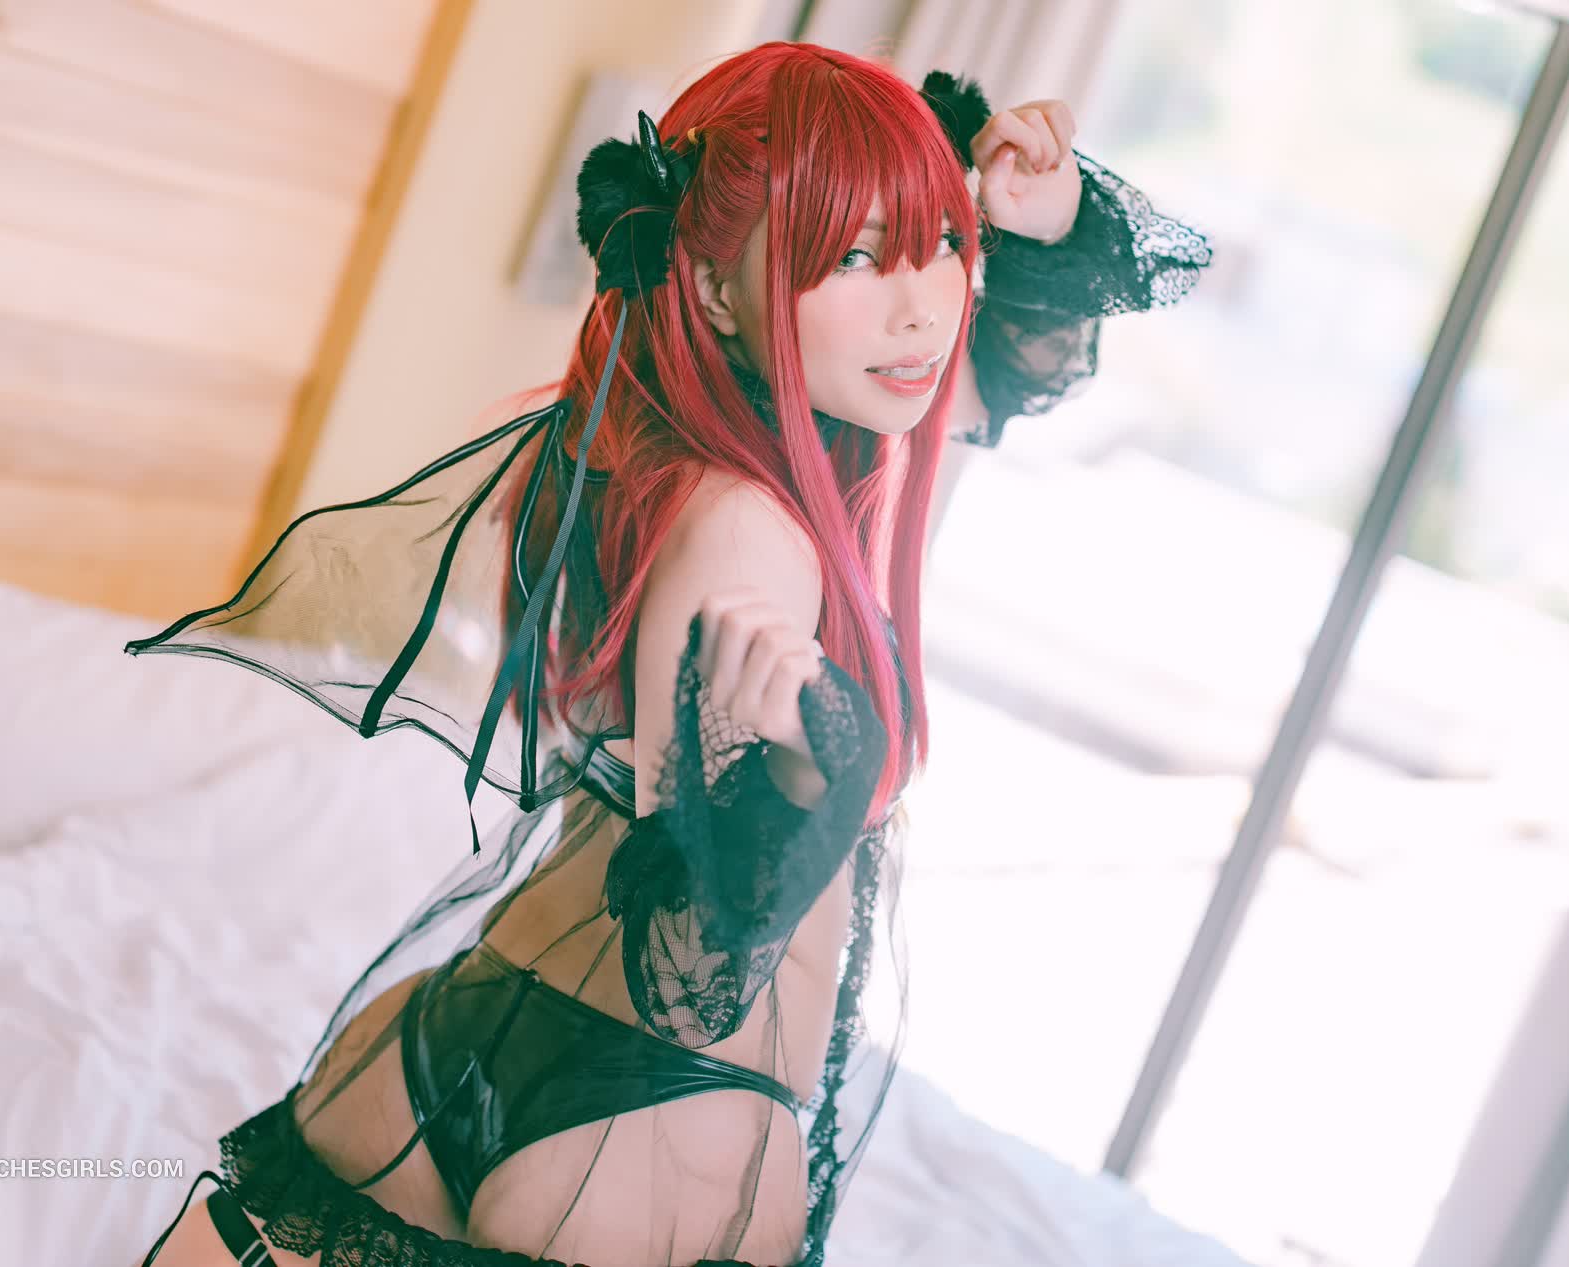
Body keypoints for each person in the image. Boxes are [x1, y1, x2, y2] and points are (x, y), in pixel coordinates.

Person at [125, 39, 1210, 1267]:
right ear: (711, 290)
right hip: (644, 1111)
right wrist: (812, 767)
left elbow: (1001, 372)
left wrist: (1039, 222)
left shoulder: (683, 440)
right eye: (858, 257)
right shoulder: (750, 530)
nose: (924, 305)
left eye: (944, 243)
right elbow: (690, 971)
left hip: (453, 1041)